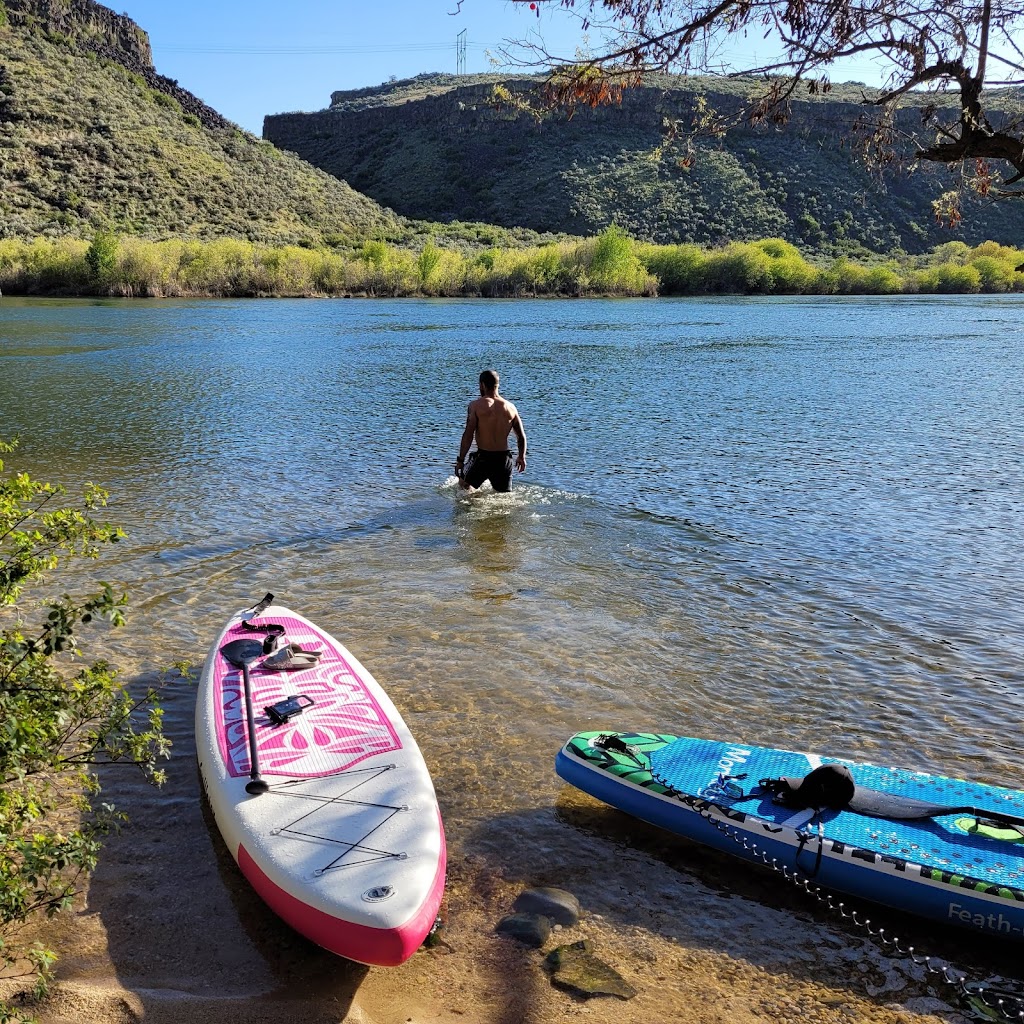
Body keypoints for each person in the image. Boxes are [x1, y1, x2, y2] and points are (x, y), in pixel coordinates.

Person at [455, 369, 527, 492]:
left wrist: (460, 461)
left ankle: (475, 504)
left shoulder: (475, 406)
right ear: (497, 385)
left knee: (463, 485)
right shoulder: (511, 407)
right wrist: (521, 457)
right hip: (504, 459)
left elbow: (468, 435)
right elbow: (521, 436)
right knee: (502, 496)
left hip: (483, 457)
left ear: (482, 385)